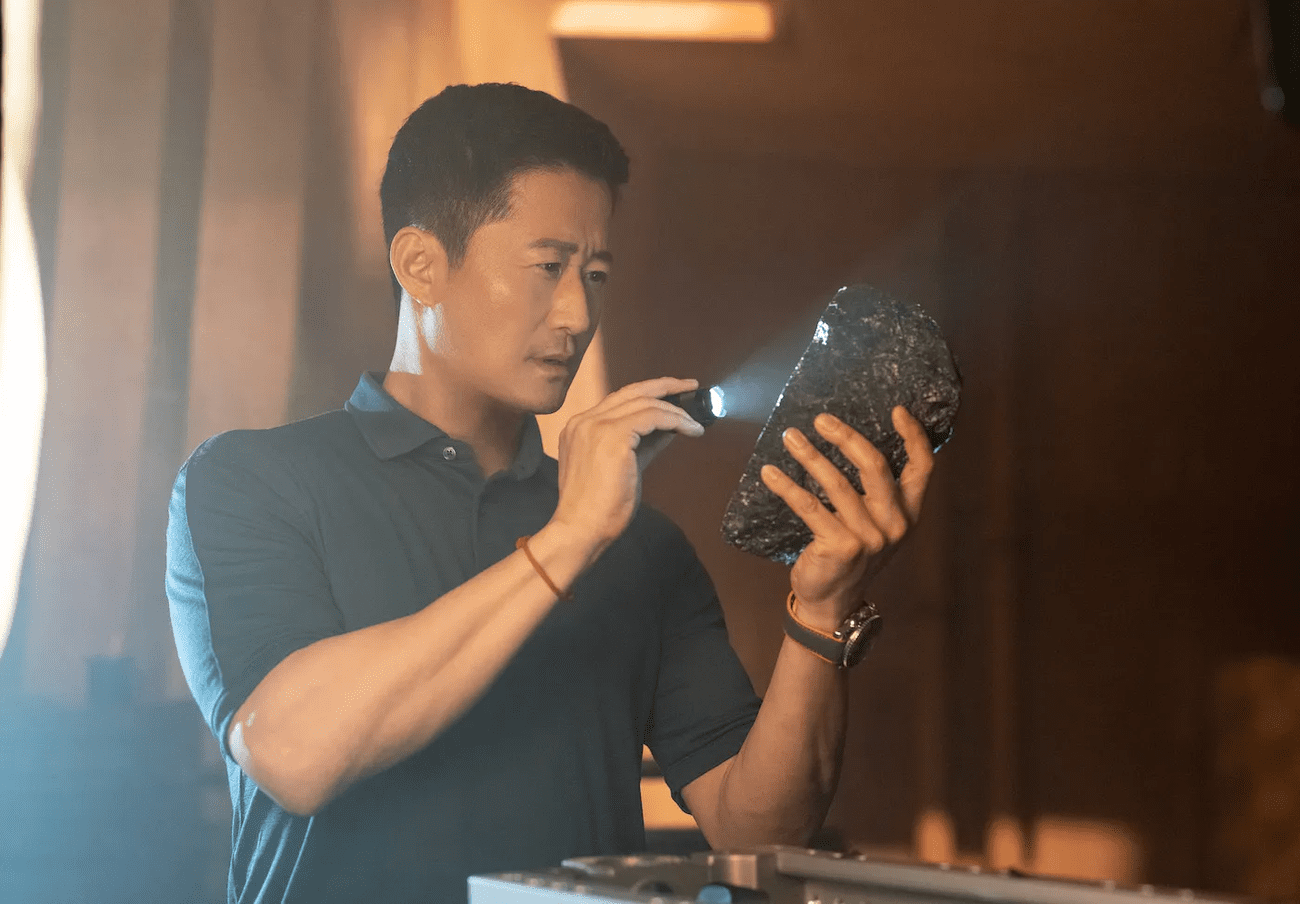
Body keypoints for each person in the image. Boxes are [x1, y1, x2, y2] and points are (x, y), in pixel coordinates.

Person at [166, 82, 934, 904]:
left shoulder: (641, 546)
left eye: (596, 274)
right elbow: (293, 755)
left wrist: (821, 614)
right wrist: (569, 539)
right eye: (547, 267)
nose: (577, 313)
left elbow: (757, 832)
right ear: (421, 264)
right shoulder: (252, 480)